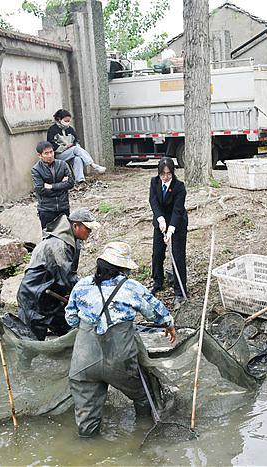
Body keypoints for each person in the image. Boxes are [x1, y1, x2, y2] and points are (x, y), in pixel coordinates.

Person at [65, 241, 177, 438]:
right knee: (143, 395)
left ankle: (88, 445)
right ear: (123, 268)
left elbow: (71, 318)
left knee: (86, 415)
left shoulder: (81, 285)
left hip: (83, 362)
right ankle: (143, 431)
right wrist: (168, 324)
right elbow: (156, 312)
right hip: (119, 361)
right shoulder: (131, 288)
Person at [17, 208, 100, 341]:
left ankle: (75, 359)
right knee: (31, 341)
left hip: (53, 296)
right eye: (87, 228)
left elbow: (69, 275)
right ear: (76, 226)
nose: (90, 232)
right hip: (35, 296)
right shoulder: (58, 245)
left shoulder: (73, 240)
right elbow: (66, 277)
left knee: (70, 332)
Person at [149, 158, 188, 308]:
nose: (165, 177)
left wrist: (171, 229)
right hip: (160, 223)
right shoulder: (154, 182)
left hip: (177, 224)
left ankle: (180, 291)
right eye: (163, 174)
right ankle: (158, 281)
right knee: (157, 253)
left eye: (168, 174)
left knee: (178, 256)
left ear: (172, 172)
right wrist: (160, 220)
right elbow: (153, 201)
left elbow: (178, 210)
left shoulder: (179, 187)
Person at [47, 109, 106, 184]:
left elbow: (76, 141)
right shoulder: (52, 130)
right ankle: (93, 165)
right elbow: (51, 145)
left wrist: (73, 145)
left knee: (77, 159)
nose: (67, 123)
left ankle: (80, 180)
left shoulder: (70, 129)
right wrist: (65, 147)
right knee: (76, 149)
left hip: (71, 152)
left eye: (69, 121)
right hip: (59, 154)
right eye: (66, 121)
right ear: (59, 119)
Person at [31, 141, 75, 230]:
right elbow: (41, 190)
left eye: (51, 152)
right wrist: (62, 187)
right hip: (47, 209)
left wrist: (51, 186)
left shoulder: (62, 164)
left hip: (63, 207)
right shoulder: (36, 169)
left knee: (66, 235)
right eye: (46, 153)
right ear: (39, 155)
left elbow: (70, 183)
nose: (50, 155)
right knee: (48, 237)